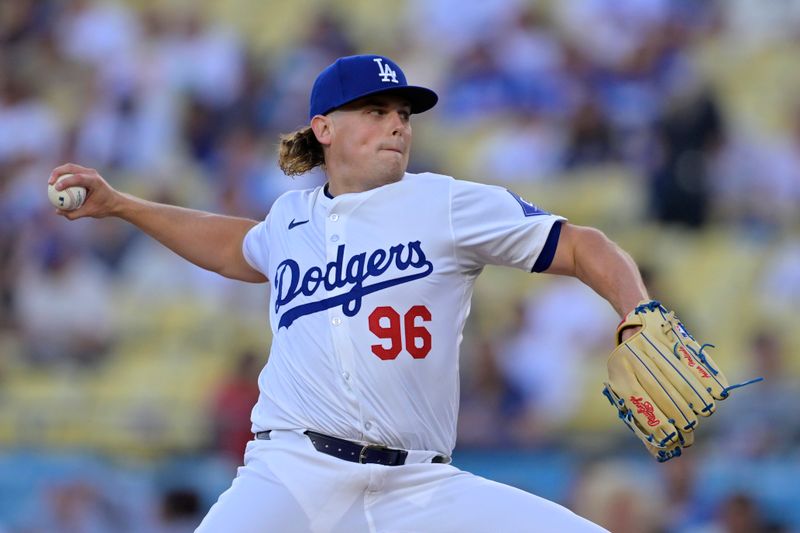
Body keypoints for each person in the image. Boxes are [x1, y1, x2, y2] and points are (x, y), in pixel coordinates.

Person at [49, 54, 650, 532]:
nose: (396, 123)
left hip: (418, 486)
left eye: (404, 114)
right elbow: (238, 248)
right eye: (376, 109)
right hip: (292, 472)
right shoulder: (290, 219)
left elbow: (580, 245)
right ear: (325, 127)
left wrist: (637, 309)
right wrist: (123, 205)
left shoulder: (446, 203)